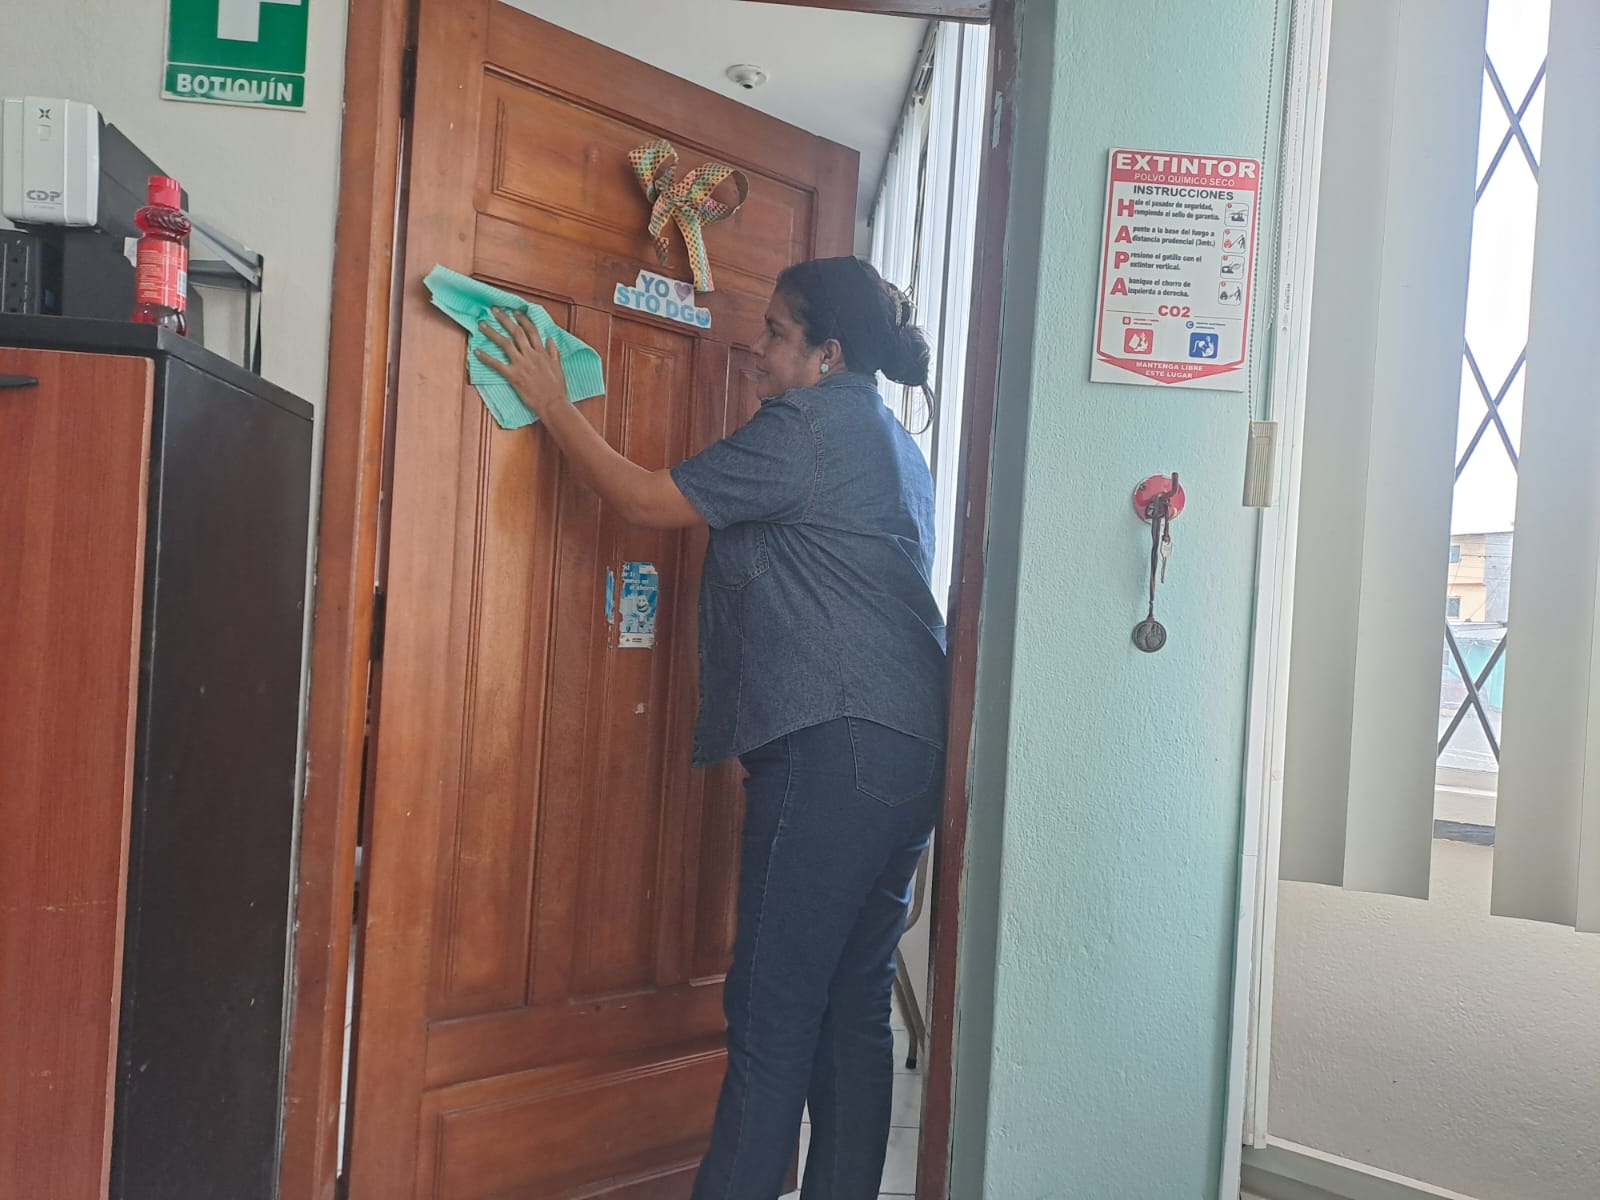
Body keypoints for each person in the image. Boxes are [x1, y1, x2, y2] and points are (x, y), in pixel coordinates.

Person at [476, 255, 948, 1200]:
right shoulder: (898, 445)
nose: (757, 347)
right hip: (911, 754)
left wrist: (550, 400)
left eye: (776, 332)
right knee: (852, 1007)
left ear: (827, 355)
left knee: (773, 1016)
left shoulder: (807, 425)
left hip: (833, 748)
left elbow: (646, 499)